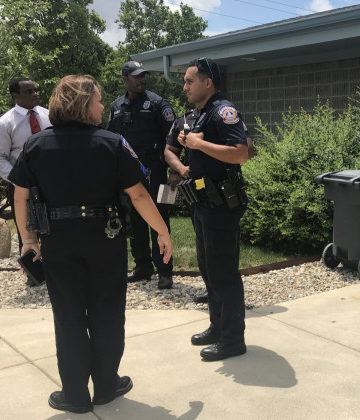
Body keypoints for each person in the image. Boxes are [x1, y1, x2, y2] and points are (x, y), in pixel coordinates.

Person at [8, 75, 172, 413]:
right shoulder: (112, 143)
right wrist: (162, 232)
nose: (102, 105)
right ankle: (107, 385)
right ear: (84, 103)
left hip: (58, 242)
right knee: (107, 313)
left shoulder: (36, 145)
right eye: (98, 100)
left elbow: (19, 196)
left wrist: (28, 239)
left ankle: (74, 394)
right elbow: (139, 194)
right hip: (105, 240)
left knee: (67, 316)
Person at [168, 58, 249, 361]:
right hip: (202, 202)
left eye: (190, 81)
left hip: (221, 206)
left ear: (207, 83)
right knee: (209, 270)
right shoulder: (199, 116)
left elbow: (241, 153)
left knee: (224, 273)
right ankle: (217, 326)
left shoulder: (222, 112)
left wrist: (199, 146)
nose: (185, 86)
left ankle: (232, 340)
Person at [165, 111, 256, 305]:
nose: (185, 87)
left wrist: (204, 143)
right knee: (202, 244)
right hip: (197, 192)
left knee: (224, 249)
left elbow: (247, 150)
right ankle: (212, 291)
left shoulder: (223, 117)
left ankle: (227, 297)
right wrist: (181, 169)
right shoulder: (184, 120)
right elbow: (169, 150)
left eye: (190, 82)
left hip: (223, 194)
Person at [107, 61, 176, 289]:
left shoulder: (157, 103)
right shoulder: (116, 106)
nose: (141, 79)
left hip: (156, 171)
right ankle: (143, 267)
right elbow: (111, 139)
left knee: (160, 219)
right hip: (128, 172)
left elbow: (173, 139)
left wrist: (175, 170)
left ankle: (164, 270)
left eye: (143, 76)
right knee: (133, 219)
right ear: (125, 78)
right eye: (136, 76)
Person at [0, 77, 52, 287]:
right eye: (29, 91)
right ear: (15, 95)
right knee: (27, 229)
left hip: (50, 182)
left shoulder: (48, 116)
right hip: (21, 186)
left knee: (52, 226)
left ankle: (55, 272)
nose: (35, 93)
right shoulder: (5, 123)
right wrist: (18, 181)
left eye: (35, 89)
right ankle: (33, 275)